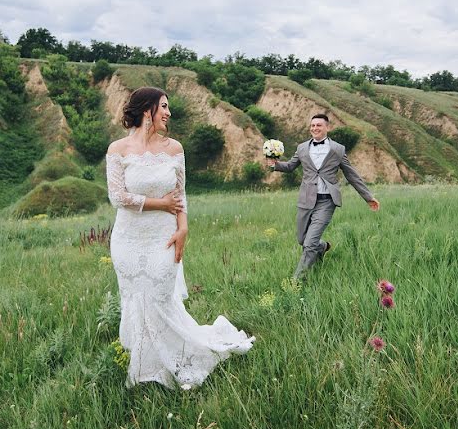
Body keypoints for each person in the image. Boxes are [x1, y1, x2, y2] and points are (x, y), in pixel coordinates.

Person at [105, 86, 254, 389]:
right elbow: (117, 197)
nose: (168, 113)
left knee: (160, 298)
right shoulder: (117, 149)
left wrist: (183, 228)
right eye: (163, 107)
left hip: (164, 236)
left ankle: (179, 358)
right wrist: (160, 204)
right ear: (147, 110)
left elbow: (181, 195)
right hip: (127, 239)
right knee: (136, 302)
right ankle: (147, 368)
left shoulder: (174, 149)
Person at [268, 113, 380, 278]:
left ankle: (297, 280)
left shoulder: (338, 149)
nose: (315, 128)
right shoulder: (302, 148)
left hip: (327, 201)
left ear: (327, 127)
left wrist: (368, 197)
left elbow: (352, 175)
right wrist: (274, 165)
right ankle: (322, 247)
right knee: (302, 240)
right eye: (312, 125)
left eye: (319, 125)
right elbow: (290, 166)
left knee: (309, 243)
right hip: (306, 200)